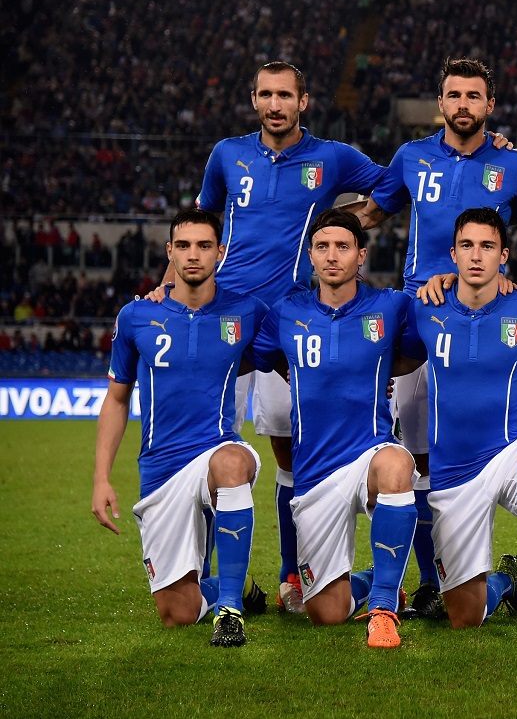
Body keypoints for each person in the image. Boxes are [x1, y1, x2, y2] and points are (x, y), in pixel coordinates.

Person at [152, 61, 386, 614]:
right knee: (202, 450)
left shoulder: (332, 158)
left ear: (304, 101)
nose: (275, 104)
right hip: (223, 318)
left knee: (291, 452)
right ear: (254, 99)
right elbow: (197, 229)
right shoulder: (226, 155)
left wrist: (339, 224)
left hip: (289, 322)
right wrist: (166, 287)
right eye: (266, 94)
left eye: (285, 95)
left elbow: (395, 188)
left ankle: (291, 575)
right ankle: (201, 578)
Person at [353, 58, 517, 620]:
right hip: (421, 318)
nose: (463, 105)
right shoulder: (412, 156)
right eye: (454, 95)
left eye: (474, 96)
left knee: (474, 441)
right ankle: (433, 580)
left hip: (482, 313)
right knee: (417, 461)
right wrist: (298, 219)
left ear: (489, 105)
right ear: (441, 102)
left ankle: (464, 573)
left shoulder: (514, 164)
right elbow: (370, 216)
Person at [400, 208, 517, 646]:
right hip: (452, 474)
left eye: (487, 246)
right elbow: (401, 360)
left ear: (503, 255)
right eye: (467, 245)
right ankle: (506, 581)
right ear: (452, 254)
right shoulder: (425, 308)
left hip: (508, 449)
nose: (476, 255)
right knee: (465, 617)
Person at [91, 209, 270, 647]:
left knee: (232, 463)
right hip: (161, 471)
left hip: (216, 451)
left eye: (204, 246)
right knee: (178, 613)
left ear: (220, 252)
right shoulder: (136, 316)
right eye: (184, 246)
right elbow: (116, 399)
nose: (194, 255)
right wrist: (100, 478)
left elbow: (296, 358)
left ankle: (230, 609)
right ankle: (239, 585)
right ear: (170, 252)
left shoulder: (248, 311)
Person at [248, 209, 418, 648]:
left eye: (343, 246)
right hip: (315, 474)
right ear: (310, 255)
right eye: (322, 246)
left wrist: (384, 369)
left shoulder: (392, 305)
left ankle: (384, 608)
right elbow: (266, 356)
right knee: (327, 613)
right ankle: (374, 579)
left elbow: (420, 346)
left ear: (361, 254)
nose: (332, 255)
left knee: (397, 465)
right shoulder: (286, 312)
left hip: (369, 454)